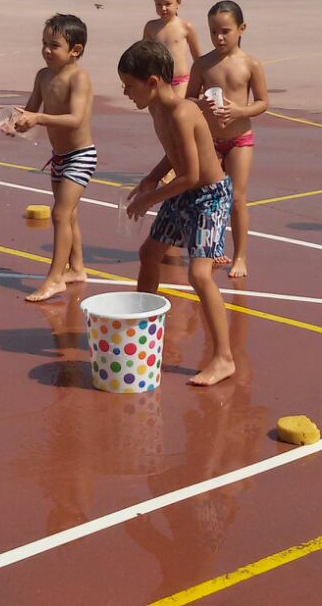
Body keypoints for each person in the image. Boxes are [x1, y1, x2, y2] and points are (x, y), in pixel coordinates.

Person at [117, 40, 236, 386]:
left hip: (209, 196)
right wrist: (152, 177)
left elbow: (192, 175)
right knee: (149, 254)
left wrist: (148, 200)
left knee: (199, 274)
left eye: (129, 85)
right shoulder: (156, 109)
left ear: (153, 82)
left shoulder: (183, 113)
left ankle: (224, 358)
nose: (125, 93)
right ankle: (142, 331)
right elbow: (175, 152)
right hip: (185, 191)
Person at [12, 14, 96, 302]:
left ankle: (55, 278)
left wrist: (38, 118)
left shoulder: (79, 78)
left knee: (60, 214)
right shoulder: (43, 76)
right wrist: (18, 122)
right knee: (69, 215)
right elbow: (31, 110)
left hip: (81, 156)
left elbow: (75, 119)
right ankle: (77, 268)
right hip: (59, 157)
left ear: (76, 50)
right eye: (44, 43)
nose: (47, 50)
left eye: (55, 45)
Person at [185, 0, 267, 279]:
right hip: (210, 140)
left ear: (241, 29)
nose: (219, 38)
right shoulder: (202, 64)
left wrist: (240, 111)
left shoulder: (250, 64)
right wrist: (201, 104)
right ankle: (210, 248)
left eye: (225, 31)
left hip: (239, 139)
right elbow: (189, 98)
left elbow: (263, 102)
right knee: (206, 198)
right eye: (213, 32)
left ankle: (240, 255)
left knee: (237, 198)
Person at [143, 0, 201, 90]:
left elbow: (198, 59)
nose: (163, 8)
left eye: (168, 4)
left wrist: (202, 81)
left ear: (178, 3)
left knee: (179, 102)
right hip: (158, 82)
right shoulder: (150, 27)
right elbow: (143, 57)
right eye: (158, 4)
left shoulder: (186, 27)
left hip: (181, 82)